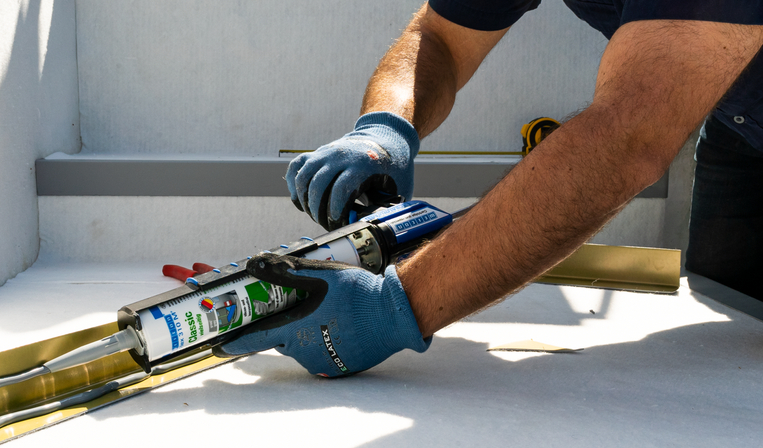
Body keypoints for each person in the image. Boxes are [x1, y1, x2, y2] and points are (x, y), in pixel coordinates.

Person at [214, 1, 763, 378]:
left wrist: (397, 307)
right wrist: (385, 127)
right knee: (726, 332)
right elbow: (441, 38)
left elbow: (629, 134)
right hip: (738, 130)